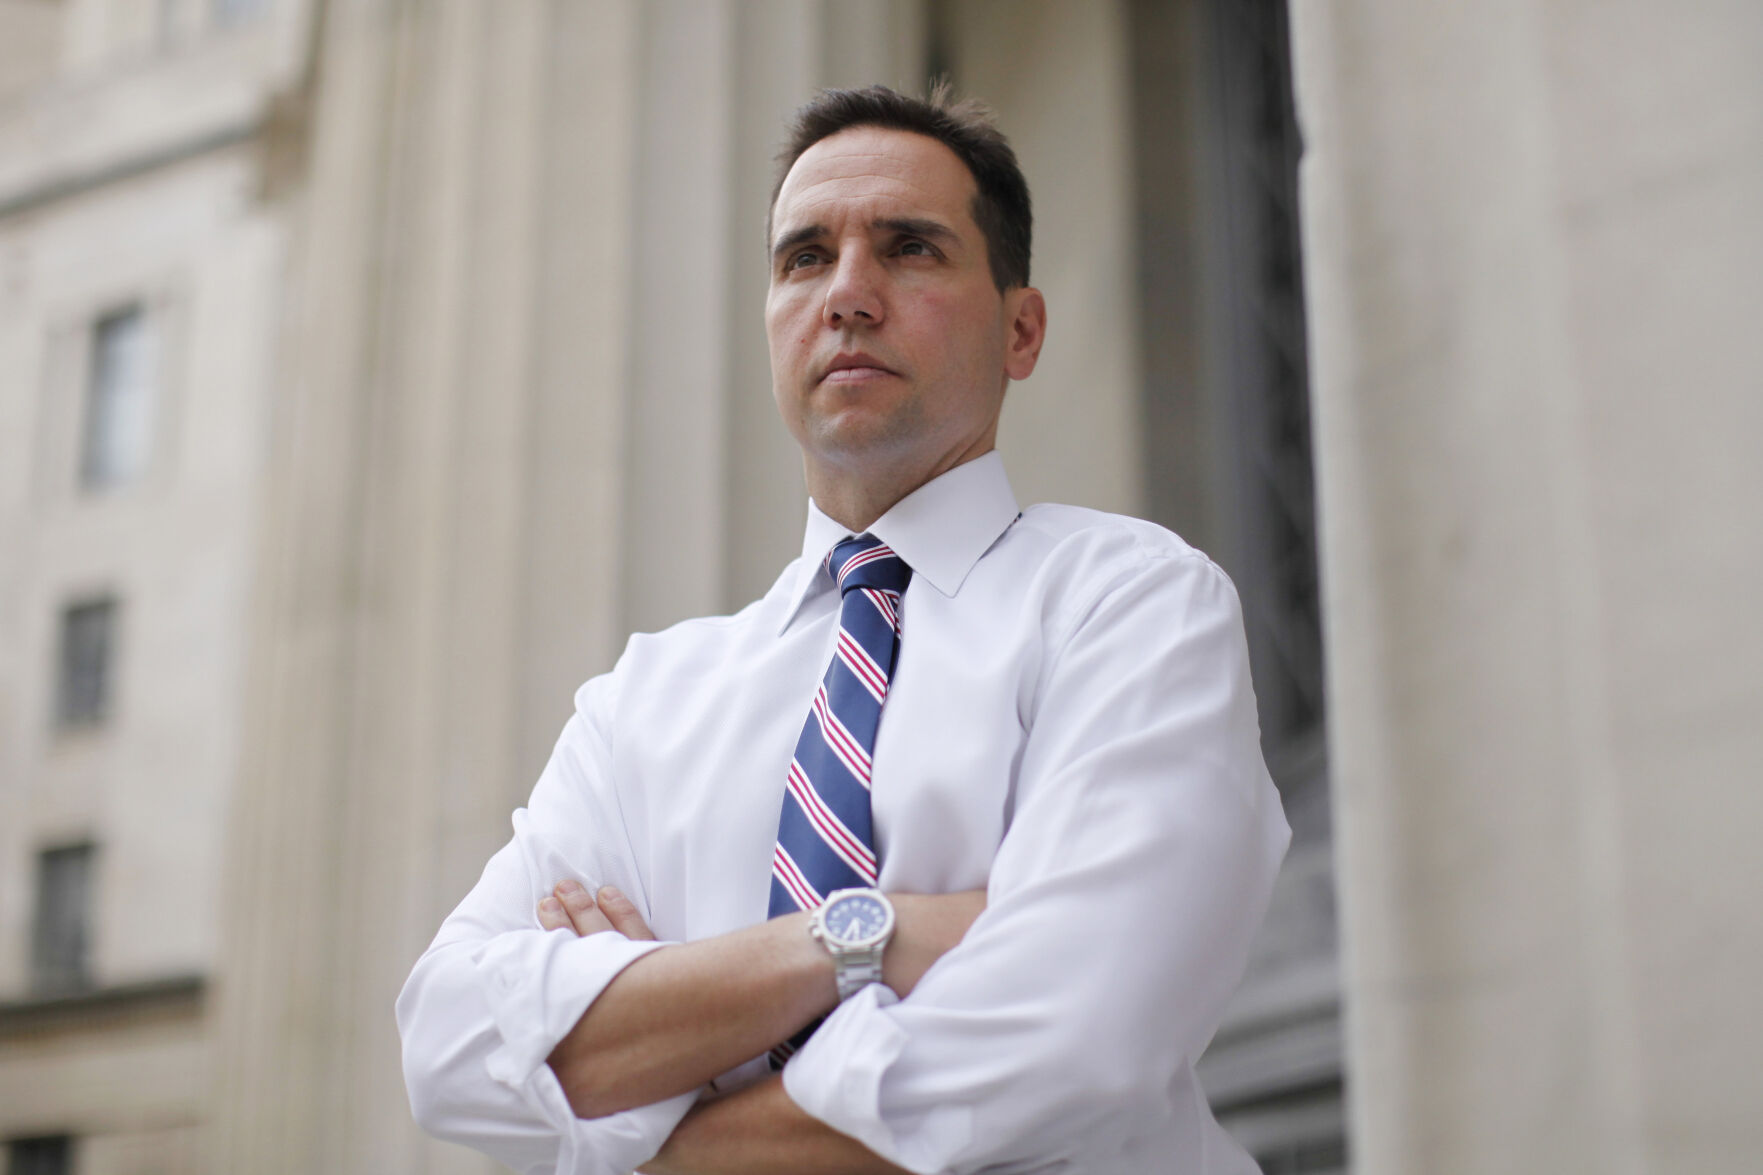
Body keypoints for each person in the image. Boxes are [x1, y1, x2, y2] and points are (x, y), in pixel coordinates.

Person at [398, 84, 1290, 1175]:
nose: (848, 295)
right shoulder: (641, 703)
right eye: (805, 257)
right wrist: (862, 937)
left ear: (1019, 330)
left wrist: (652, 1097)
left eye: (909, 249)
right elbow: (447, 1045)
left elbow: (1071, 1037)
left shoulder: (1129, 604)